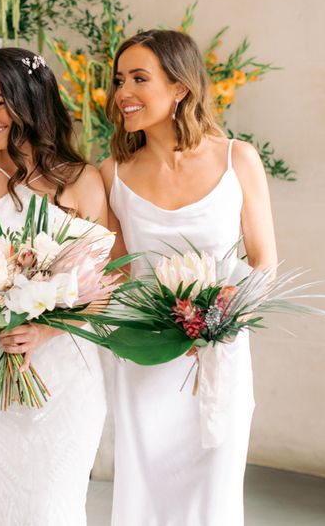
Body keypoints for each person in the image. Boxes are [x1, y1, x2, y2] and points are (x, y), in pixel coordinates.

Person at [99, 29, 277, 526]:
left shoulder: (237, 159)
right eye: (119, 80)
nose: (123, 93)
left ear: (180, 88)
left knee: (213, 492)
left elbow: (263, 259)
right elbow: (116, 275)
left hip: (220, 353)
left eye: (139, 78)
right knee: (145, 489)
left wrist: (219, 321)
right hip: (145, 358)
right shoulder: (111, 172)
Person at [0, 47, 110, 526]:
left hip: (67, 375)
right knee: (3, 505)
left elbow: (103, 287)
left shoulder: (82, 179)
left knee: (56, 506)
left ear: (32, 98)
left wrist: (45, 332)